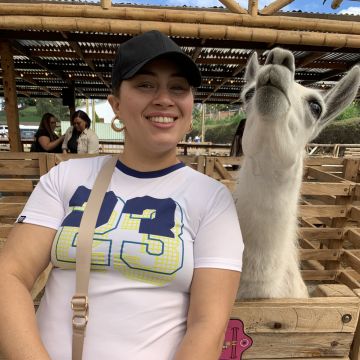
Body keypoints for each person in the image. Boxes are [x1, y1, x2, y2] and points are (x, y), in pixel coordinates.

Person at [0, 30, 243, 360]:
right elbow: (9, 275)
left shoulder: (212, 200)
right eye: (145, 84)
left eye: (178, 87)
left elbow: (207, 326)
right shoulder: (66, 178)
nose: (164, 98)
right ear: (115, 104)